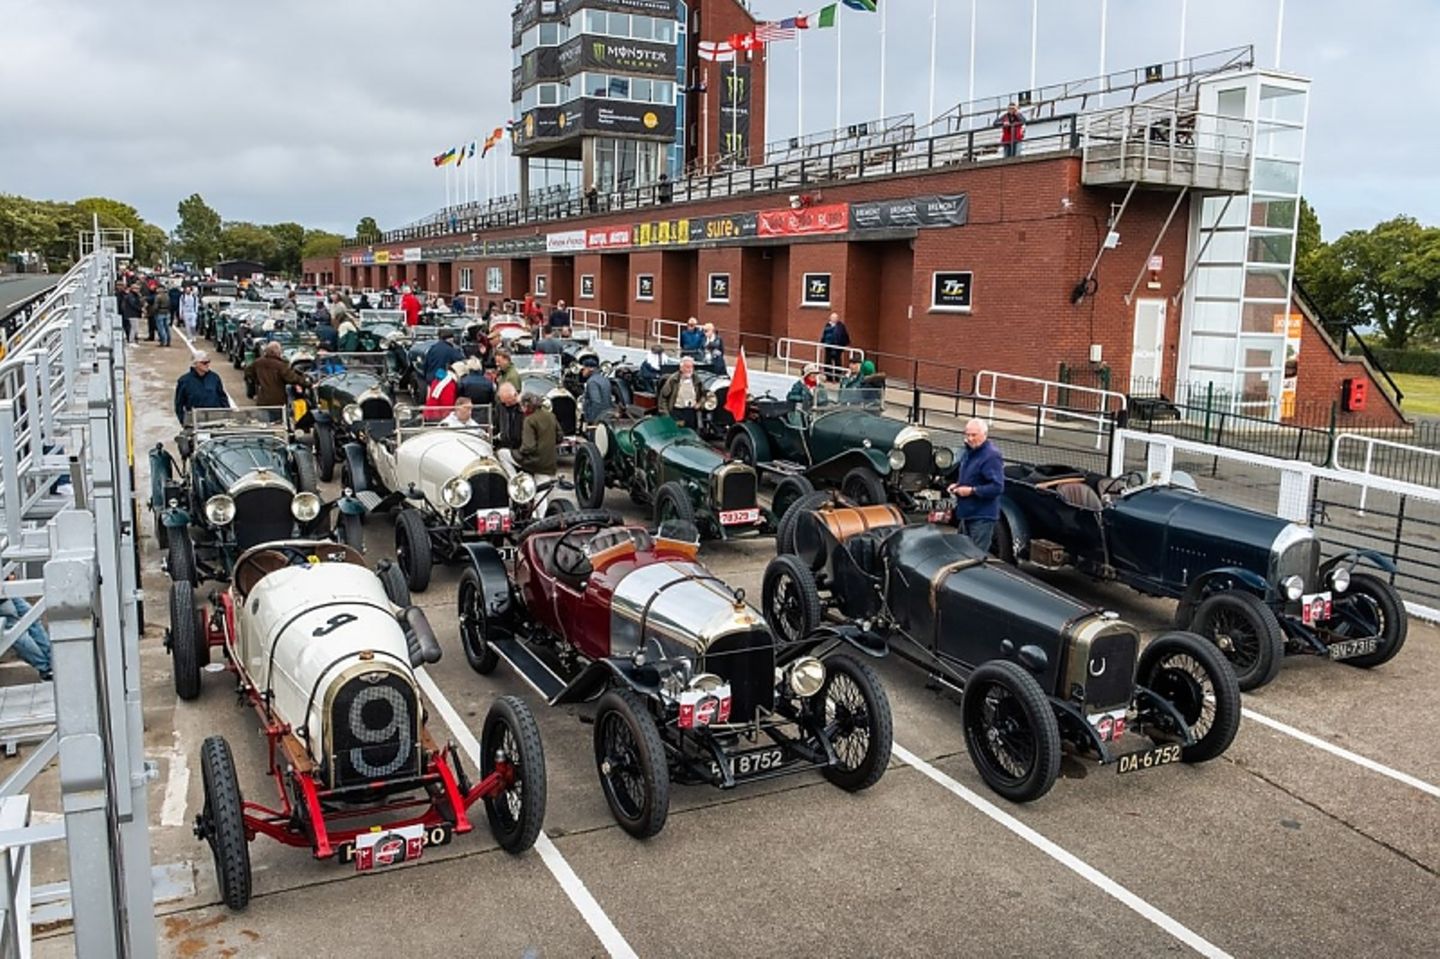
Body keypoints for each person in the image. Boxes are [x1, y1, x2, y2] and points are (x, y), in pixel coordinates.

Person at [946, 418, 1005, 552]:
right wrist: (958, 485)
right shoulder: (969, 452)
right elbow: (972, 477)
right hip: (966, 514)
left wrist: (972, 491)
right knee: (961, 554)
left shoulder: (991, 456)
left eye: (974, 435)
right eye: (967, 435)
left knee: (975, 557)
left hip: (981, 517)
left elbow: (997, 487)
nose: (970, 438)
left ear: (984, 435)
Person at [504, 391, 559, 477]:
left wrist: (518, 451)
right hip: (551, 464)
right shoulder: (551, 416)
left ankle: (516, 481)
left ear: (526, 406)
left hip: (536, 463)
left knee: (502, 454)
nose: (521, 409)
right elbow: (560, 437)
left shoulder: (529, 420)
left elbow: (528, 447)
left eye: (521, 406)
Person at [0, 589, 52, 681]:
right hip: (5, 592)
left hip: (7, 590)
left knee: (30, 618)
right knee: (18, 631)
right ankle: (47, 666)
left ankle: (49, 664)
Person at [245, 341, 309, 407]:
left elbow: (248, 373)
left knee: (264, 416)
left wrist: (257, 381)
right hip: (277, 401)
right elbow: (292, 378)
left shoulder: (258, 363)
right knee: (278, 417)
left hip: (263, 400)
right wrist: (306, 382)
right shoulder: (281, 365)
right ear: (278, 352)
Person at [174, 352, 229, 424]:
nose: (207, 365)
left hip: (216, 419)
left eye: (208, 362)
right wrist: (184, 422)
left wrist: (227, 415)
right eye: (204, 363)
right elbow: (179, 404)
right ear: (195, 364)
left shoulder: (214, 378)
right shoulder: (184, 381)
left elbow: (222, 397)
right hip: (196, 421)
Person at [658, 356, 704, 428]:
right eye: (687, 367)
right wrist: (666, 415)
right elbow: (663, 398)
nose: (689, 370)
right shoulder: (673, 380)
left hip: (691, 412)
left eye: (691, 367)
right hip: (677, 412)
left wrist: (699, 404)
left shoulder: (697, 380)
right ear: (681, 368)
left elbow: (704, 395)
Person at [580, 357, 613, 424]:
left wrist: (592, 420)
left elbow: (596, 402)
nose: (582, 371)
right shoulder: (605, 379)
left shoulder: (592, 382)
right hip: (607, 416)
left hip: (597, 418)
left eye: (584, 368)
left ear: (590, 369)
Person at [492, 382, 523, 449]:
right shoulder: (500, 406)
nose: (507, 405)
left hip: (520, 447)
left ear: (515, 395)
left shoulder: (523, 407)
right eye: (504, 402)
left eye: (509, 402)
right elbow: (496, 424)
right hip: (505, 446)